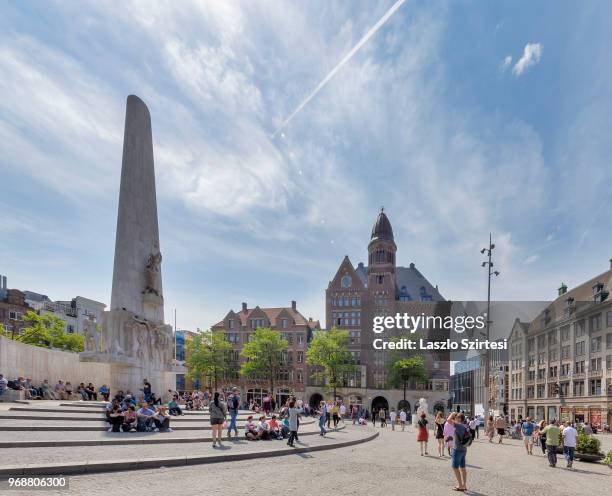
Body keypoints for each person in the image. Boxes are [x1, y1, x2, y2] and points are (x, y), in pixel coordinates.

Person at [451, 412, 471, 492]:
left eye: (457, 417)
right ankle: (464, 485)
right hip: (464, 449)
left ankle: (460, 485)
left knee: (455, 467)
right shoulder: (465, 426)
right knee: (463, 468)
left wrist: (453, 414)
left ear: (459, 419)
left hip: (457, 449)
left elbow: (448, 420)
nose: (455, 418)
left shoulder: (458, 425)